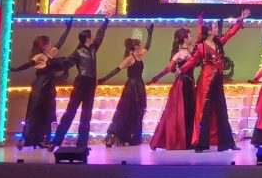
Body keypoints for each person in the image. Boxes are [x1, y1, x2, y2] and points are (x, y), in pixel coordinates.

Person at [181, 9, 252, 152]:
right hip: (206, 82)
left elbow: (230, 34)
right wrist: (180, 70)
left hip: (217, 80)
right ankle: (200, 144)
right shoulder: (201, 47)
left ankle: (227, 143)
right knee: (204, 112)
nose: (216, 28)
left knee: (222, 110)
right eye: (214, 27)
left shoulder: (218, 43)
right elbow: (192, 61)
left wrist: (240, 20)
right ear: (208, 31)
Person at [47, 18, 110, 151]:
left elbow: (100, 36)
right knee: (70, 112)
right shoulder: (78, 52)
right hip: (81, 83)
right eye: (90, 36)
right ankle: (56, 141)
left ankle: (82, 144)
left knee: (86, 115)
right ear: (87, 38)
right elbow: (66, 63)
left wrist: (105, 21)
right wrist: (52, 63)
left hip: (90, 84)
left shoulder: (93, 49)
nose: (93, 38)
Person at [10, 19, 73, 148]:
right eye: (48, 43)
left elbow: (60, 43)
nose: (51, 44)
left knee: (48, 112)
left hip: (49, 85)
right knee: (35, 111)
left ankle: (44, 138)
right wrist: (15, 69)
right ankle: (28, 138)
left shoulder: (50, 54)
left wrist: (68, 29)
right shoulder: (39, 56)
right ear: (43, 46)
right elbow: (29, 64)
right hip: (40, 86)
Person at [148, 18, 201, 150]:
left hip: (190, 85)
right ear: (185, 39)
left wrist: (200, 23)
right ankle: (178, 141)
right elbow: (168, 68)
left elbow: (199, 39)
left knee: (190, 112)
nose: (191, 38)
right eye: (189, 36)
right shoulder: (179, 54)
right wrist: (155, 78)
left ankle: (189, 141)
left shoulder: (191, 52)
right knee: (178, 114)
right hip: (182, 85)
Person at [100, 24, 154, 146]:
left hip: (139, 85)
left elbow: (148, 47)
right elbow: (117, 69)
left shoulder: (139, 56)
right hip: (132, 86)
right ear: (135, 46)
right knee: (126, 110)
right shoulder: (129, 58)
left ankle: (133, 137)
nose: (141, 46)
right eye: (139, 44)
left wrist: (150, 34)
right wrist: (104, 79)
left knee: (138, 111)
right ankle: (114, 135)